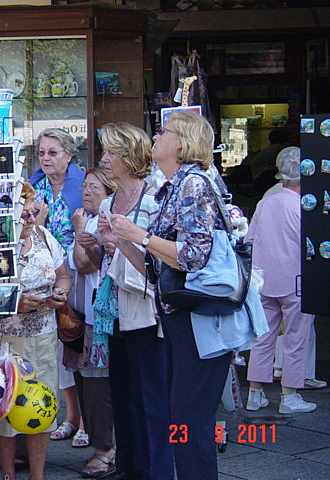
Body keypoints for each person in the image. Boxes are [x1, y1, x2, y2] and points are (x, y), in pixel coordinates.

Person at [105, 112, 234, 480]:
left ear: (182, 142)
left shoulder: (192, 183)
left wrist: (139, 235)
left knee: (189, 418)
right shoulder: (174, 186)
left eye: (164, 131)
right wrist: (122, 240)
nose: (156, 136)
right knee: (183, 415)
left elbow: (193, 255)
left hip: (200, 316)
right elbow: (155, 267)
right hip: (181, 314)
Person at [95, 122, 174, 480]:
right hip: (115, 312)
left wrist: (121, 242)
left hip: (147, 314)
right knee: (123, 395)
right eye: (104, 152)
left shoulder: (154, 196)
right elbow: (105, 265)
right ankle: (130, 467)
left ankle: (158, 470)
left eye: (111, 152)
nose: (104, 159)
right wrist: (97, 246)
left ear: (130, 155)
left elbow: (158, 269)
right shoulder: (109, 201)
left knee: (152, 399)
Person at [0, 182, 72, 480]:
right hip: (6, 338)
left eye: (33, 213)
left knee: (43, 404)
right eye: (23, 215)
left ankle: (38, 476)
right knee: (7, 406)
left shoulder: (44, 236)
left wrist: (60, 293)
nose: (30, 220)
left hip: (43, 336)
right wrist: (15, 304)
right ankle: (8, 474)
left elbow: (63, 275)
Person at [245, 146, 317, 414]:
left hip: (264, 280)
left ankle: (255, 393)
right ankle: (290, 396)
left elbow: (249, 239)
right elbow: (310, 246)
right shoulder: (302, 207)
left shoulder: (265, 202)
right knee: (296, 338)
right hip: (296, 280)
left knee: (262, 336)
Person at [29, 127, 86, 446]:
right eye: (41, 152)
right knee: (60, 346)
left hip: (80, 271)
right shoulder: (34, 185)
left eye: (53, 152)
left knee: (81, 342)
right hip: (46, 273)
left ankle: (90, 420)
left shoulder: (82, 183)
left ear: (69, 154)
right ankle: (71, 416)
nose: (46, 158)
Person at [67, 167, 117, 478]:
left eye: (94, 187)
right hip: (85, 315)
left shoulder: (102, 222)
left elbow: (84, 264)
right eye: (85, 186)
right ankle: (100, 442)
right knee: (85, 381)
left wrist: (78, 232)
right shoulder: (89, 219)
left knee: (99, 385)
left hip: (101, 317)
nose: (86, 192)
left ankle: (106, 448)